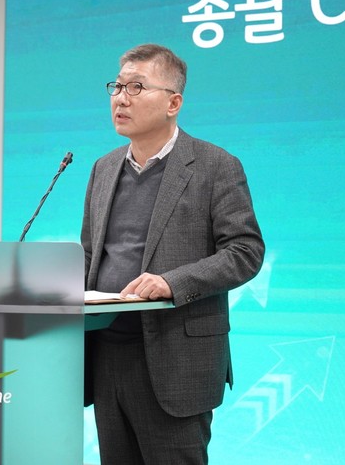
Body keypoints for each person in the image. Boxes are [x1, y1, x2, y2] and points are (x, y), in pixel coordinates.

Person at [81, 43, 264, 464]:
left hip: (175, 362)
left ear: (173, 103)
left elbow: (245, 251)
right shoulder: (103, 168)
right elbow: (91, 254)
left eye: (136, 87)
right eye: (117, 86)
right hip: (107, 356)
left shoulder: (215, 166)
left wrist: (172, 282)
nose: (121, 98)